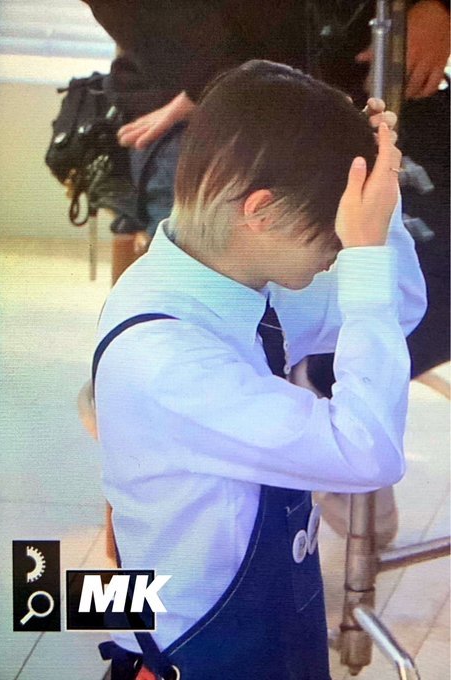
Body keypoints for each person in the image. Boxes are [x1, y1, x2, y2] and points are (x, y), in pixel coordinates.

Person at [94, 60, 426, 680]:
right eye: (334, 236)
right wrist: (364, 256)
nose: (340, 252)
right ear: (262, 212)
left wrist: (382, 198)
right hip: (198, 654)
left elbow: (401, 305)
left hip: (266, 629)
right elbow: (367, 452)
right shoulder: (166, 355)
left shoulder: (229, 279)